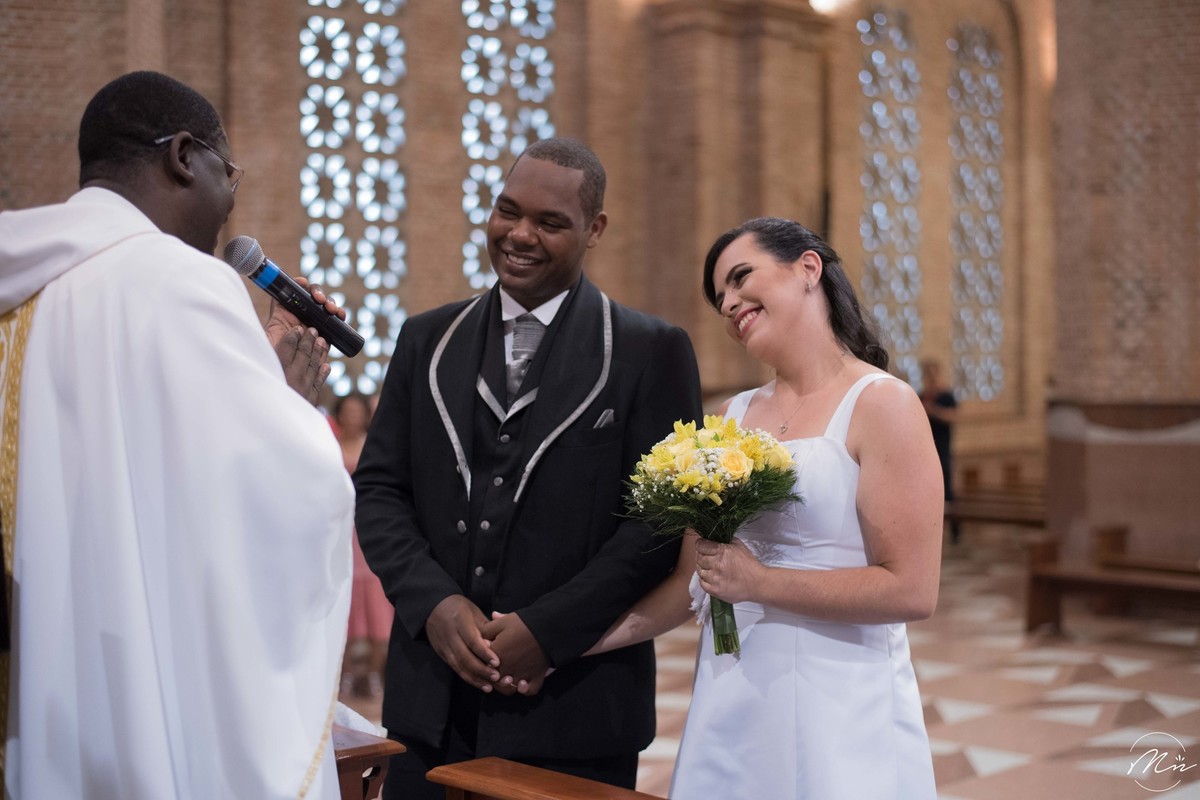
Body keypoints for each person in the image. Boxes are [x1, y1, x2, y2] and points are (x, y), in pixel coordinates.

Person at [0, 71, 354, 798]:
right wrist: (294, 407)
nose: (230, 204)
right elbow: (278, 495)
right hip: (132, 670)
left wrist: (264, 383)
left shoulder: (21, 281)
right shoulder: (179, 281)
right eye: (231, 174)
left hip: (36, 664)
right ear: (185, 156)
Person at [353, 137, 703, 798]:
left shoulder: (648, 351)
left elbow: (658, 524)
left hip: (573, 709)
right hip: (430, 702)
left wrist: (548, 631)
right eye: (507, 211)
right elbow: (378, 489)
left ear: (594, 229)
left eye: (549, 223)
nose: (519, 235)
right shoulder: (426, 339)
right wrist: (434, 604)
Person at [588, 217, 943, 799]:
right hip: (735, 694)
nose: (728, 303)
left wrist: (759, 582)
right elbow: (691, 582)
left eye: (740, 277)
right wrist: (567, 645)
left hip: (843, 701)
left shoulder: (882, 403)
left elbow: (912, 590)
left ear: (808, 268)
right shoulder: (731, 416)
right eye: (718, 297)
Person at [332, 392, 392, 698]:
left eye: (359, 412)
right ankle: (341, 676)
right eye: (349, 412)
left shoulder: (373, 442)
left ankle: (373, 674)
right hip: (339, 528)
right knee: (344, 598)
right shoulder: (329, 443)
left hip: (368, 526)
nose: (353, 417)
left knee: (376, 603)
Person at [920, 358, 959, 542]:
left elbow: (953, 416)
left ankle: (955, 533)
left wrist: (933, 410)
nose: (930, 377)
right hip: (926, 448)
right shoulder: (922, 395)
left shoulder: (946, 395)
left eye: (933, 372)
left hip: (943, 448)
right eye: (927, 373)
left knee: (948, 490)